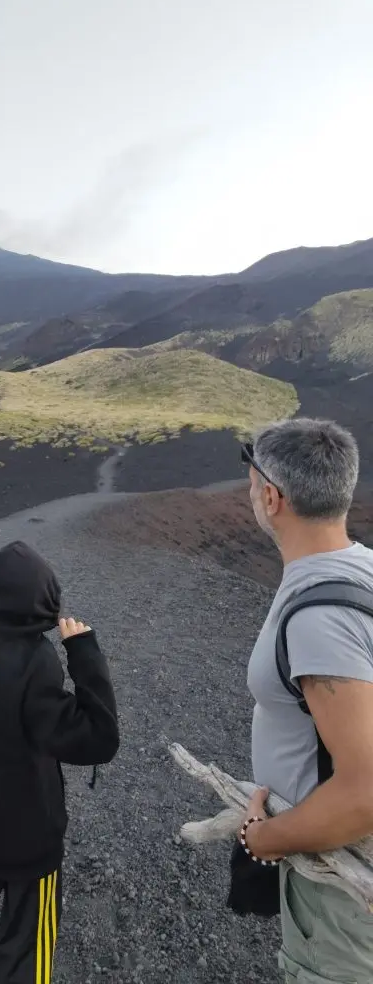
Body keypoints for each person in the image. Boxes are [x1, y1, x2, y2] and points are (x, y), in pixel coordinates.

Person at [0, 540, 120, 984]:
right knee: (28, 945)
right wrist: (84, 650)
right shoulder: (37, 663)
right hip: (32, 841)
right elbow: (99, 739)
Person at [240, 418, 373, 982]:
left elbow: (366, 787)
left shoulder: (322, 617)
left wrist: (262, 839)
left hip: (341, 884)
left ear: (272, 498)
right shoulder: (359, 568)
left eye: (250, 483)